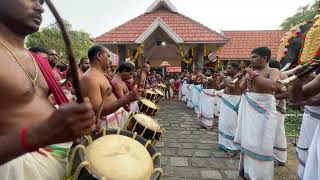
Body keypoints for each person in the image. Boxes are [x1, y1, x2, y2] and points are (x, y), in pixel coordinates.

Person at [0, 1, 96, 179]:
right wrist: (37, 135)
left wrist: (76, 119)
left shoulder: (39, 62)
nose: (40, 8)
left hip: (55, 161)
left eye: (42, 1)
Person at [234, 47, 281, 180]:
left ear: (265, 58)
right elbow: (240, 89)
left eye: (254, 57)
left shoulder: (273, 70)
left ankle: (260, 176)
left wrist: (253, 75)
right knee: (249, 140)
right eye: (251, 57)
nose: (251, 60)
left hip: (265, 111)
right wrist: (241, 78)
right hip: (249, 109)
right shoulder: (250, 72)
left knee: (262, 143)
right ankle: (248, 172)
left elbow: (273, 86)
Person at [80, 45, 142, 129]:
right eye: (108, 56)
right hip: (104, 125)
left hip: (114, 119)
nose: (110, 60)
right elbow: (98, 111)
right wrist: (126, 99)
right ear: (99, 56)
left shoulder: (102, 74)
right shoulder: (91, 78)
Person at [217, 63, 242, 156]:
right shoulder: (228, 77)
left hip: (234, 101)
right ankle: (224, 144)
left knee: (231, 124)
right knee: (224, 123)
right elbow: (219, 86)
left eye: (229, 68)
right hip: (226, 101)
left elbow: (231, 86)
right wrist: (220, 77)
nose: (226, 69)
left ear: (235, 69)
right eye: (226, 67)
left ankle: (234, 148)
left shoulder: (241, 77)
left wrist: (224, 77)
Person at [270, 60, 288, 166]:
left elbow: (287, 93)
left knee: (278, 132)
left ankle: (280, 158)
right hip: (271, 106)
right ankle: (272, 154)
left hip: (278, 107)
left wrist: (273, 98)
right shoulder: (270, 75)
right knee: (271, 131)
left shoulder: (282, 77)